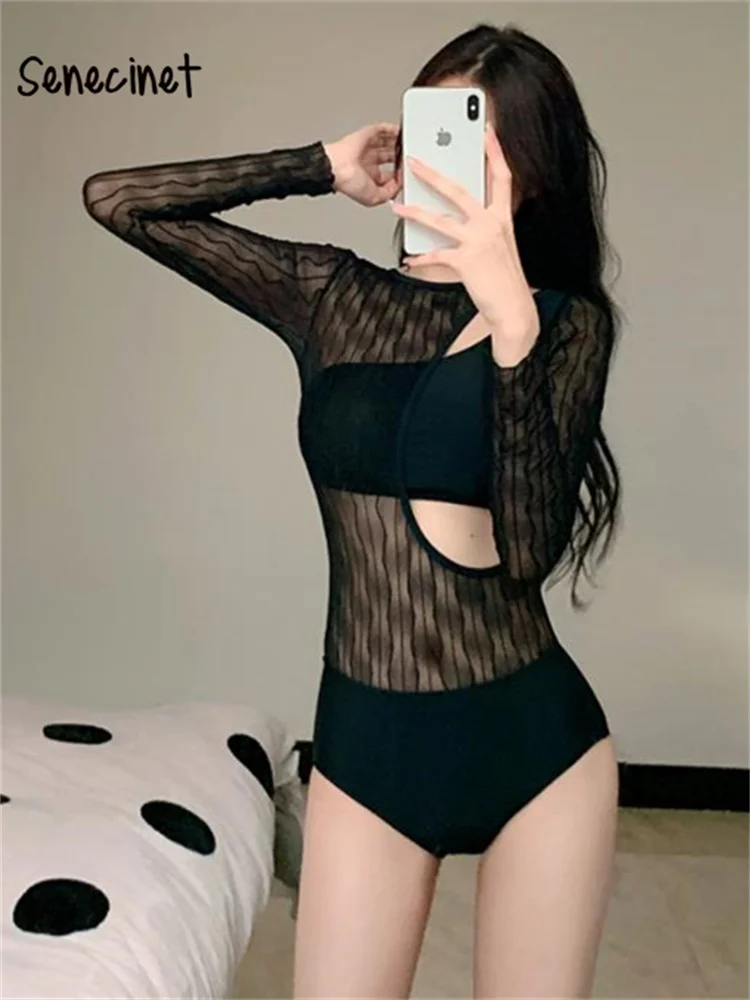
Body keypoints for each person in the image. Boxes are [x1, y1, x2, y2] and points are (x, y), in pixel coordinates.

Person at [83, 21, 623, 1000]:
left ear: (530, 178)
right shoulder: (329, 295)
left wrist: (511, 326)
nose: (448, 168)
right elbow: (117, 200)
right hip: (370, 742)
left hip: (535, 743)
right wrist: (315, 166)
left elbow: (527, 554)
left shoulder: (562, 325)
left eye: (481, 148)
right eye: (437, 133)